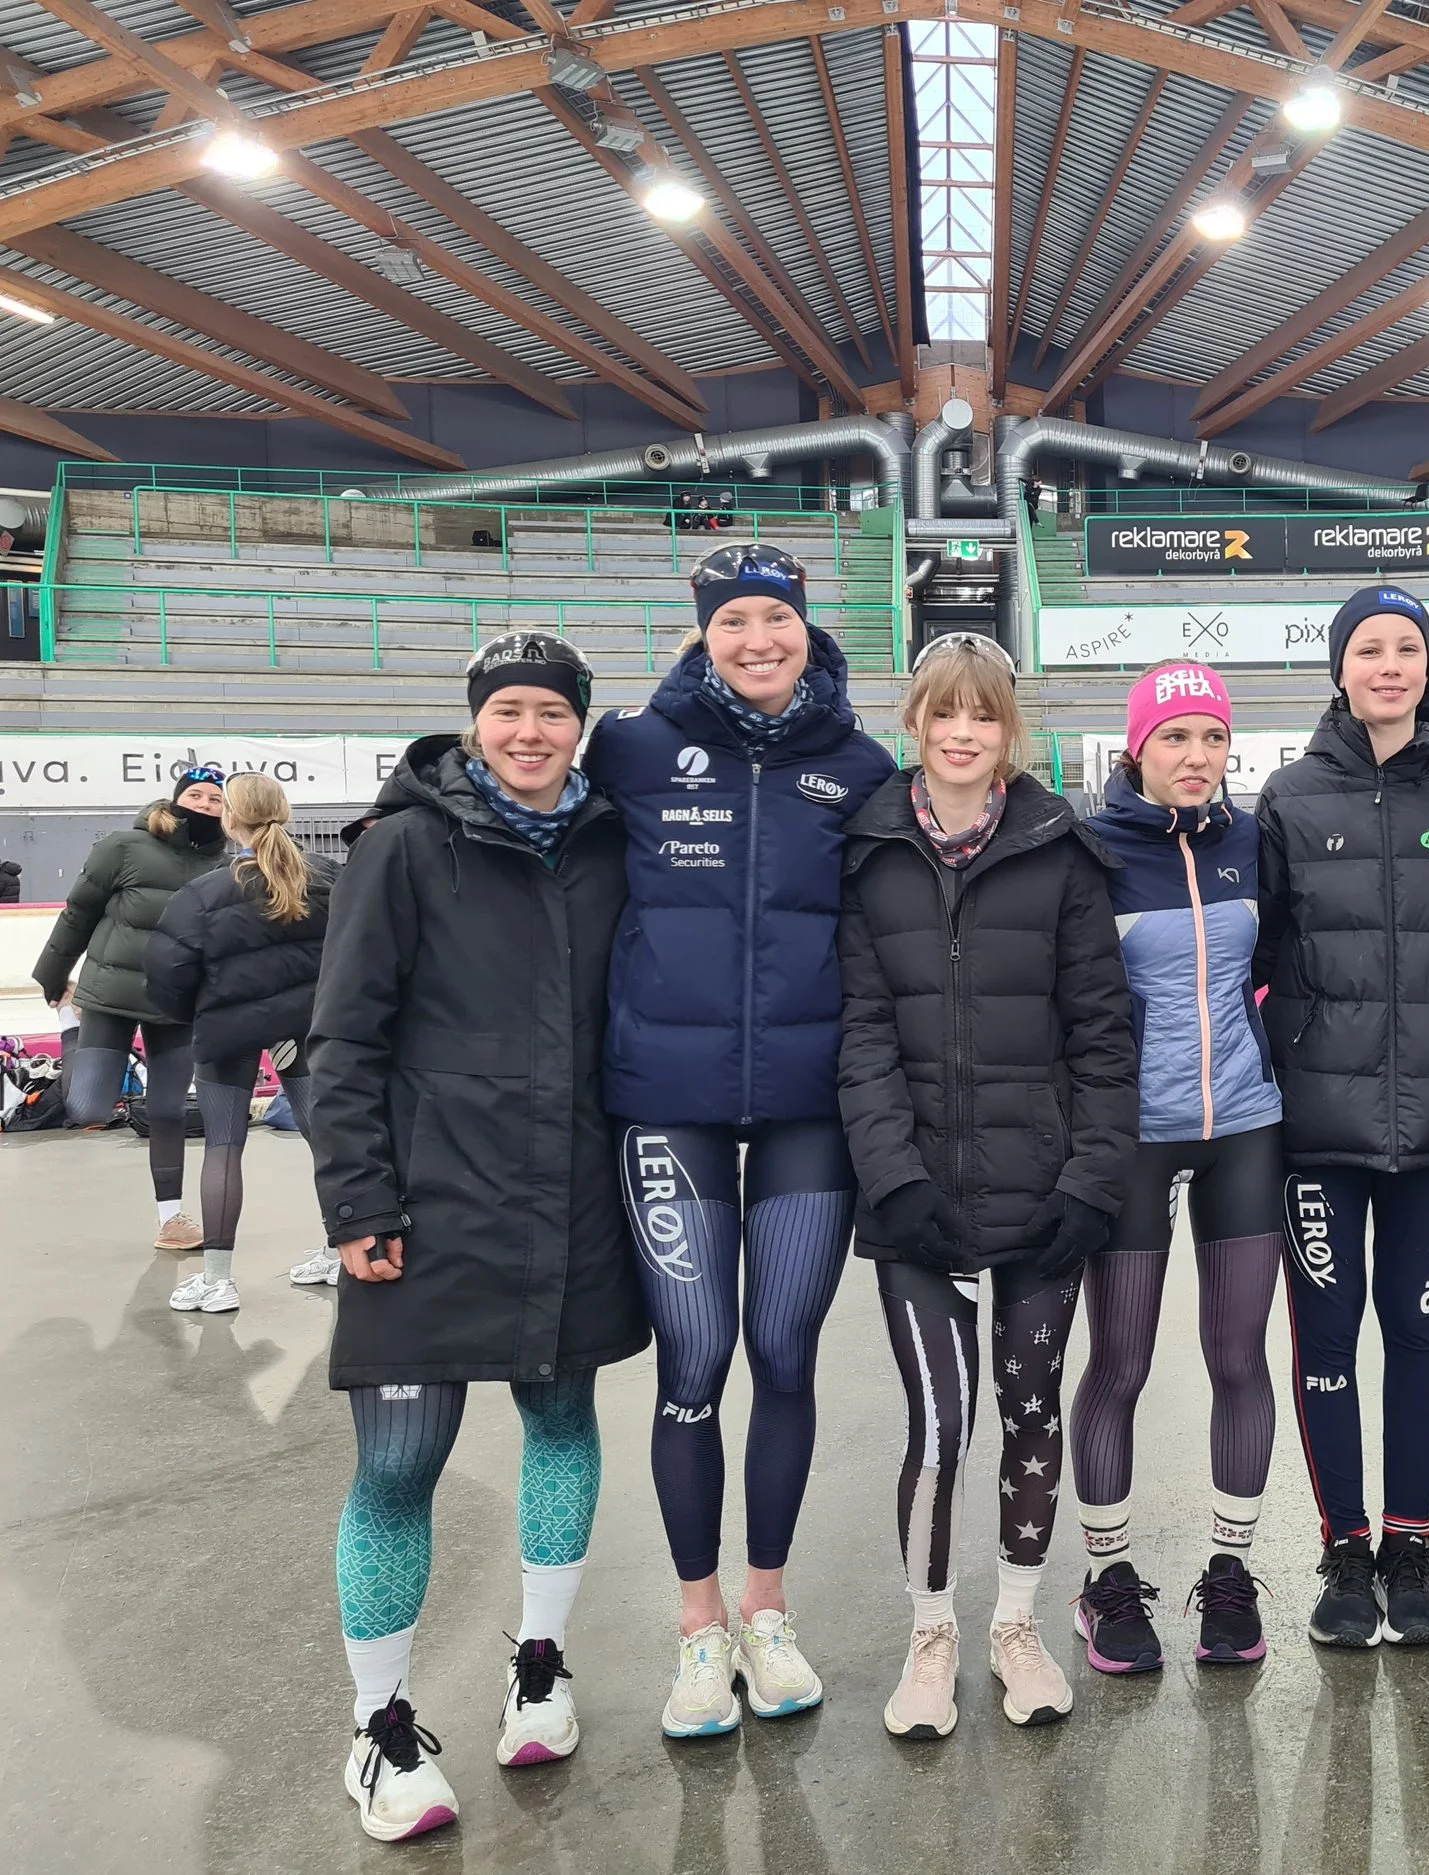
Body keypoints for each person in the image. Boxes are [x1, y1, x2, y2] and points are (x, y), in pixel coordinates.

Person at [309, 634, 648, 1841]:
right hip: (428, 1205)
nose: (529, 733)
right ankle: (380, 1726)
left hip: (572, 1198)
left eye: (551, 712)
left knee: (561, 1424)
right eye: (508, 711)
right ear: (474, 723)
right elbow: (342, 1039)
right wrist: (358, 1202)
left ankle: (540, 1665)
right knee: (398, 1466)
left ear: (579, 724)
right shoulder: (403, 845)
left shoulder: (612, 840)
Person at [584, 542, 896, 1739]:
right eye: (734, 622)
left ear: (805, 629)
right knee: (696, 1357)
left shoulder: (858, 765)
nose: (757, 640)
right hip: (668, 1100)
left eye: (775, 619)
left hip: (810, 1104)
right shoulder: (632, 746)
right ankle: (698, 1626)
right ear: (702, 634)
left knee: (784, 1351)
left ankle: (768, 1611)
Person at [837, 633, 1137, 1740]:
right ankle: (931, 1633)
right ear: (914, 721)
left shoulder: (1061, 852)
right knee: (938, 1425)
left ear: (1011, 731)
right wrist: (893, 1178)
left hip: (1040, 1195)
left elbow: (1103, 1036)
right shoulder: (868, 851)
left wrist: (1091, 1182)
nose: (963, 732)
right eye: (944, 712)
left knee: (1029, 1412)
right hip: (916, 1201)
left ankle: (1016, 1623)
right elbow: (863, 1033)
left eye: (984, 715)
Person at [1256, 585, 1429, 1649]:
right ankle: (1344, 1549)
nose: (1389, 665)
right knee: (1326, 1341)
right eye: (1368, 648)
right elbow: (1260, 954)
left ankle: (1408, 1547)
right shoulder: (1289, 796)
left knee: (1421, 1333)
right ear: (1340, 669)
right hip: (1318, 1127)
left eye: (1406, 647)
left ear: (1425, 663)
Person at [1070, 661, 1285, 1674]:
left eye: (1211, 736)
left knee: (1239, 1358)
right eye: (1174, 737)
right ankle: (1106, 1579)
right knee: (1121, 1364)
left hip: (1244, 1123)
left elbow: (1277, 965)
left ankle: (1230, 1574)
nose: (1196, 756)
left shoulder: (1252, 840)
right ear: (1136, 748)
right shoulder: (1093, 849)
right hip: (1133, 1137)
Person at [141, 772, 333, 1315]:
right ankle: (340, 1250)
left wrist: (196, 1015)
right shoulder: (329, 876)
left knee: (224, 1147)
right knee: (329, 1139)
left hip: (228, 1034)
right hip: (306, 1029)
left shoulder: (203, 892)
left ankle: (217, 1281)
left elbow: (166, 973)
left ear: (229, 819)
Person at [31, 764, 229, 1249]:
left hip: (176, 1004)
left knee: (167, 1109)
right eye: (196, 795)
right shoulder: (123, 847)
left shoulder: (226, 866)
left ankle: (171, 1220)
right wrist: (53, 977)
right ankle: (69, 1025)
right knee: (87, 1108)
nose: (204, 805)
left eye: (215, 800)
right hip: (111, 997)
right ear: (176, 799)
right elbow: (78, 913)